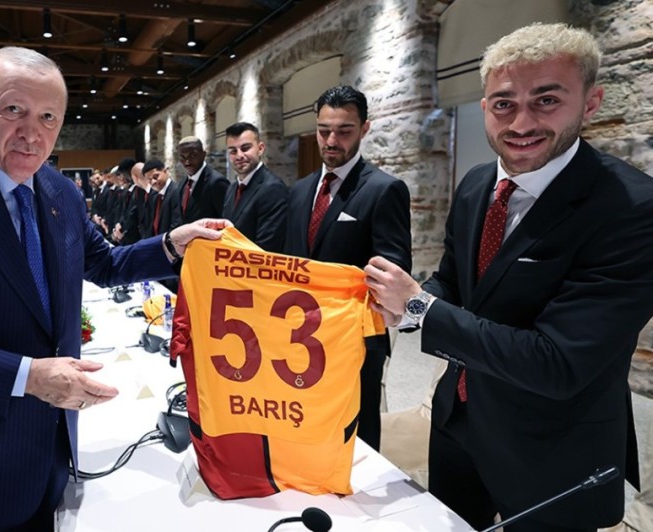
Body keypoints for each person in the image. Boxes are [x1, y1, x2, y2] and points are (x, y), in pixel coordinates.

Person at [0, 46, 228, 531]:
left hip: (49, 457)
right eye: (14, 110)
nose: (33, 133)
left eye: (49, 117)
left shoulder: (60, 192)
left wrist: (170, 244)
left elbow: (103, 262)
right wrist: (25, 376)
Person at [364, 23, 653, 531]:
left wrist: (419, 308)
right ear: (483, 107)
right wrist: (401, 307)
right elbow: (455, 284)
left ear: (590, 102)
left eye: (546, 100)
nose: (521, 122)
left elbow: (559, 363)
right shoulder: (477, 185)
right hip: (458, 420)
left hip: (553, 448)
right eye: (504, 104)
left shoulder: (632, 209)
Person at [283, 85, 412, 451]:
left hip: (355, 340)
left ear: (364, 129)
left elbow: (393, 269)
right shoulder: (300, 191)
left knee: (358, 436)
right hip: (300, 332)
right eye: (324, 130)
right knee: (307, 426)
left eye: (344, 131)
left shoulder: (384, 189)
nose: (331, 140)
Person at [222, 122, 288, 252]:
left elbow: (267, 248)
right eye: (233, 151)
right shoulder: (232, 188)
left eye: (245, 148)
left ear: (260, 148)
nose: (239, 155)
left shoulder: (273, 188)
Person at [176, 136, 229, 223]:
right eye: (182, 157)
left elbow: (227, 220)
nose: (187, 162)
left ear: (203, 155)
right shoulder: (183, 183)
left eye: (192, 156)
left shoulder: (217, 182)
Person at [142, 158, 181, 238]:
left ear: (165, 171)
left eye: (156, 176)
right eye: (149, 180)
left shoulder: (176, 192)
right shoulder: (154, 196)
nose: (153, 182)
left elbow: (177, 223)